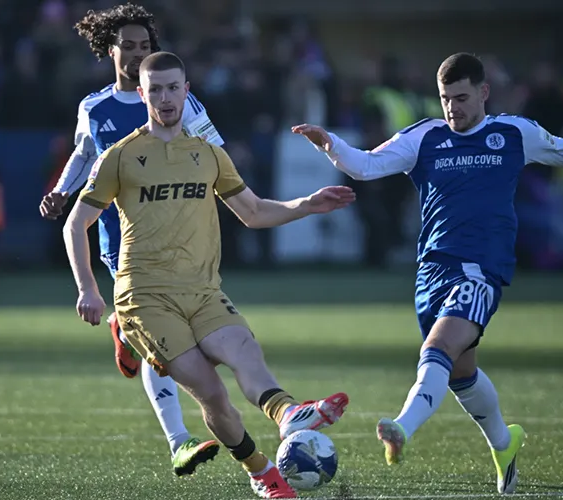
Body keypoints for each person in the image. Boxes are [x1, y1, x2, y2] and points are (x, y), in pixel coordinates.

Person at [292, 52, 563, 495]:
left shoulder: (514, 133)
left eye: (461, 98)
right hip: (432, 272)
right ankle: (505, 443)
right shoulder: (425, 137)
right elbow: (366, 166)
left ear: (483, 92)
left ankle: (402, 428)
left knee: (437, 347)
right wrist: (330, 143)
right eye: (445, 99)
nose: (452, 108)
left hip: (482, 270)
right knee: (460, 373)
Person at [64, 51, 353, 499]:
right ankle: (262, 473)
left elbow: (253, 213)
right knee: (212, 394)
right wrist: (88, 288)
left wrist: (308, 204)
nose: (164, 97)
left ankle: (288, 413)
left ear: (186, 91)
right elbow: (74, 224)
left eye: (172, 87)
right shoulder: (119, 158)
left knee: (244, 350)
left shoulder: (208, 154)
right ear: (141, 94)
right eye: (154, 89)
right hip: (145, 299)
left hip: (202, 290)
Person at [38, 4, 225, 476]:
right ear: (110, 50)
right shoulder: (94, 107)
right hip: (121, 239)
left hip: (179, 236)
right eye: (129, 46)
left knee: (171, 335)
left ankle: (123, 326)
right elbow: (85, 156)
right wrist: (62, 192)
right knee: (159, 347)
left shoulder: (180, 99)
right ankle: (179, 441)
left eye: (146, 45)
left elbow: (215, 152)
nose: (137, 53)